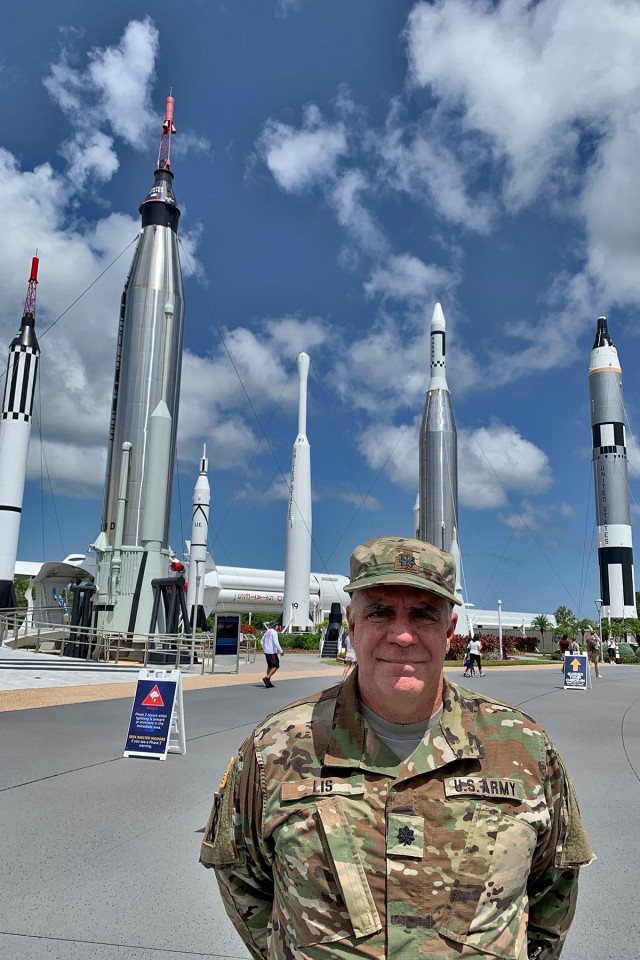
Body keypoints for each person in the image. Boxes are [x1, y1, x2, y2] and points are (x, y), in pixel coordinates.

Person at [201, 535, 593, 960]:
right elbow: (241, 876)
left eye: (423, 614)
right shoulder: (274, 749)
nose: (402, 635)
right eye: (380, 612)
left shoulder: (523, 748)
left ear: (449, 629)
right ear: (352, 624)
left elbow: (553, 887)